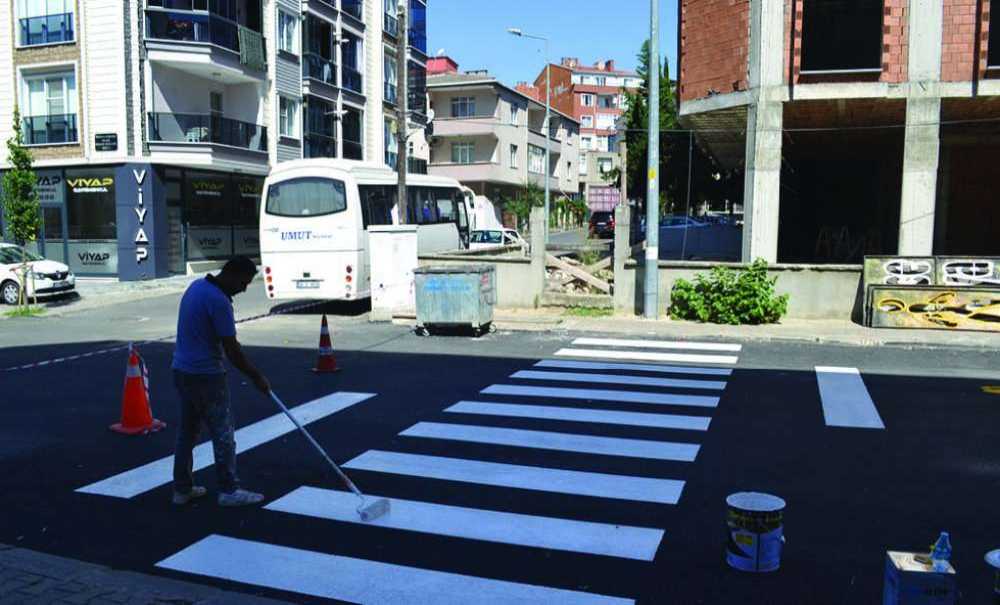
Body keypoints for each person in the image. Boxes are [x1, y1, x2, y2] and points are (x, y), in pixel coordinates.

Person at [171, 256, 270, 507]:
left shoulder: (196, 287)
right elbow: (232, 350)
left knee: (187, 432)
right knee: (223, 433)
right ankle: (228, 489)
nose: (244, 288)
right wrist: (257, 377)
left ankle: (182, 489)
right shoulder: (219, 301)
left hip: (182, 370)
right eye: (244, 282)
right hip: (206, 375)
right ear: (233, 274)